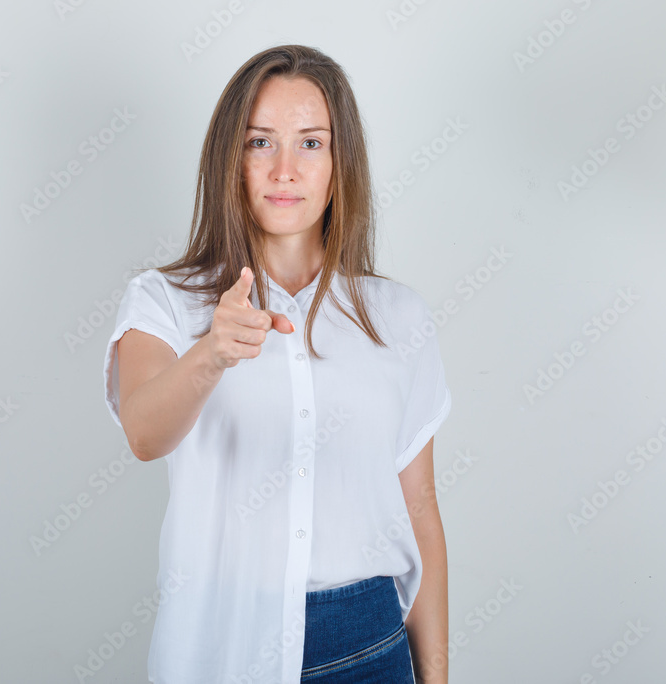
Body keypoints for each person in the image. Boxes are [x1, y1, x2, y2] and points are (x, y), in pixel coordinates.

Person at [102, 44, 452, 684]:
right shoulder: (165, 302)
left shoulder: (398, 316)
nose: (285, 169)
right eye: (260, 142)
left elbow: (422, 511)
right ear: (228, 159)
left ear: (340, 161)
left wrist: (436, 676)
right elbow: (144, 432)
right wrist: (212, 352)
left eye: (311, 143)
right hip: (223, 638)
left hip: (368, 641)